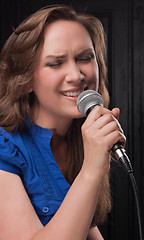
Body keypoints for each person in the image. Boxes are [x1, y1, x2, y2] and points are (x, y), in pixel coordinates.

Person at [0, 4, 126, 240]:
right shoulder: (5, 148)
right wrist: (91, 171)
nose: (77, 75)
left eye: (85, 58)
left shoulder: (81, 141)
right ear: (25, 79)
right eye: (56, 63)